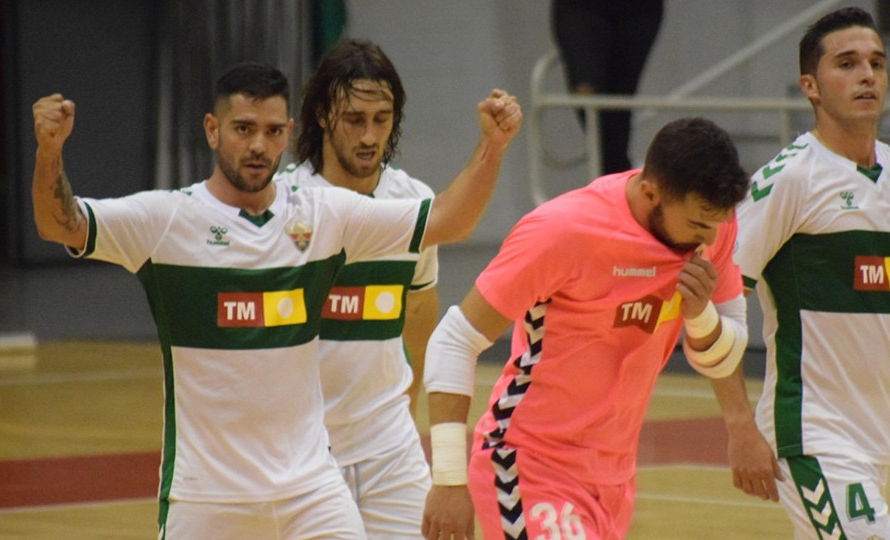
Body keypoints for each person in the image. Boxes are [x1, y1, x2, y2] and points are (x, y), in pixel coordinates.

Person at [30, 63, 522, 538]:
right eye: (243, 129)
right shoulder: (166, 220)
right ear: (212, 129)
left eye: (270, 131)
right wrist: (50, 151)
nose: (258, 146)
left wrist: (493, 147)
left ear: (288, 133)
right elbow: (61, 223)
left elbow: (450, 222)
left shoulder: (325, 214)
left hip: (311, 487)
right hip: (206, 497)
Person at [420, 116, 751, 540]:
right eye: (699, 226)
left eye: (717, 225)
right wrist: (448, 478)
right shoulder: (563, 231)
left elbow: (729, 343)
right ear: (652, 192)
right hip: (529, 464)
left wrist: (701, 316)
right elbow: (454, 339)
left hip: (613, 478)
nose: (708, 238)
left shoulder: (711, 224)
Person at [712, 7, 890, 539]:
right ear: (811, 86)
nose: (867, 75)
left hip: (883, 440)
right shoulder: (789, 179)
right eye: (847, 63)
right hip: (813, 434)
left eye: (876, 63)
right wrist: (739, 426)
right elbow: (719, 297)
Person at [275, 38, 457, 537]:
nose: (370, 135)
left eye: (382, 119)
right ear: (320, 115)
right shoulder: (282, 207)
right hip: (304, 455)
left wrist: (406, 411)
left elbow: (419, 317)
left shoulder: (413, 201)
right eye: (355, 119)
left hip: (389, 450)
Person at [551, 0, 664, 175]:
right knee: (586, 91)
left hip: (639, 9)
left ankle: (617, 177)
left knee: (620, 102)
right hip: (581, 7)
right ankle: (621, 173)